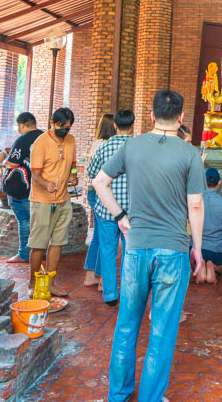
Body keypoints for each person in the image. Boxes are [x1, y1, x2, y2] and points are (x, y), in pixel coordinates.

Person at [93, 89, 205, 402]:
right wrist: (197, 248)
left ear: (151, 115)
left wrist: (120, 215)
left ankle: (118, 394)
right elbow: (196, 204)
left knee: (127, 324)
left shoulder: (131, 146)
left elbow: (99, 182)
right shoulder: (189, 153)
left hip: (136, 247)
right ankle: (150, 398)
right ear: (181, 117)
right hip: (173, 248)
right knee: (162, 329)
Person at [85, 109, 134, 305]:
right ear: (132, 125)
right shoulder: (139, 147)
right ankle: (129, 293)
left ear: (115, 125)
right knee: (130, 252)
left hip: (107, 209)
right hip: (132, 211)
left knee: (107, 251)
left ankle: (110, 295)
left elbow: (91, 173)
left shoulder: (103, 147)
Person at [28, 107, 76, 308]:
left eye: (68, 127)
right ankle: (33, 283)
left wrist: (73, 176)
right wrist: (46, 184)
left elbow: (72, 165)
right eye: (61, 126)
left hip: (63, 199)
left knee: (57, 242)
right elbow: (35, 175)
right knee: (39, 244)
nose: (65, 130)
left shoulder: (71, 140)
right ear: (52, 123)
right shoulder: (41, 143)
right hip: (42, 201)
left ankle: (50, 282)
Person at [0, 112, 43, 264]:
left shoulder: (23, 139)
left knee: (25, 220)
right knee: (38, 222)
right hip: (42, 187)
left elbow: (13, 163)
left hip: (24, 188)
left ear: (22, 125)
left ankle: (24, 254)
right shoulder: (45, 137)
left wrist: (3, 160)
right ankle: (38, 252)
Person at [83, 114, 116, 289]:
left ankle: (91, 274)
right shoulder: (109, 145)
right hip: (102, 192)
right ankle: (103, 279)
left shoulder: (97, 143)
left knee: (98, 234)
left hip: (93, 190)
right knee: (105, 236)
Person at [197, 167, 222, 284]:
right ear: (219, 183)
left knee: (193, 262)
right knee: (221, 269)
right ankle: (212, 265)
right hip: (216, 249)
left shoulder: (196, 200)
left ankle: (200, 265)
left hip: (198, 249)